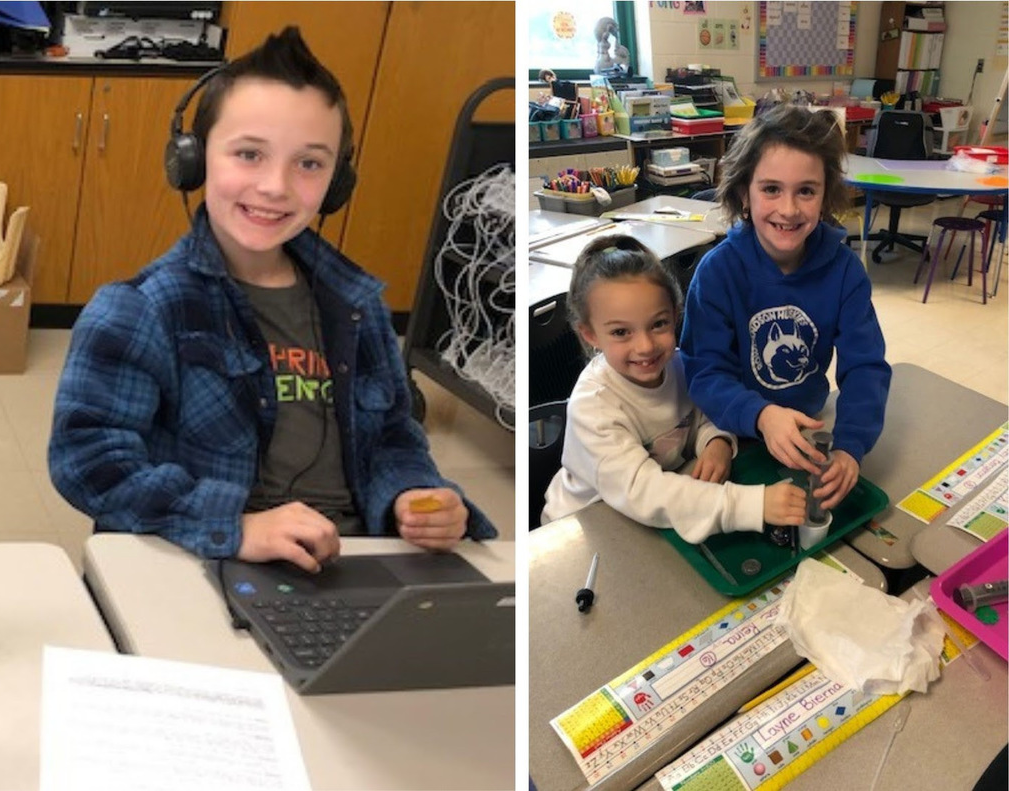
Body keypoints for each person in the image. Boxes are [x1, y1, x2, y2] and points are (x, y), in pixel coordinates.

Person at [48, 27, 496, 574]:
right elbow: (89, 463)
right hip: (211, 558)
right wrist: (234, 524)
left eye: (309, 164)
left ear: (337, 182)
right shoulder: (139, 310)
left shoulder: (360, 307)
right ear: (192, 160)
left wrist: (414, 495)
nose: (275, 186)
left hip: (353, 561)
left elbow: (392, 439)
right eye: (249, 154)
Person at [680, 104, 891, 511]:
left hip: (808, 426)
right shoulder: (718, 272)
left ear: (825, 194)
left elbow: (866, 366)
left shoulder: (845, 271)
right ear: (744, 192)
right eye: (771, 189)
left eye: (806, 191)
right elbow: (704, 371)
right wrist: (760, 415)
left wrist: (850, 446)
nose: (789, 209)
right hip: (727, 428)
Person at [542, 234, 806, 543]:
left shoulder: (680, 365)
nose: (645, 346)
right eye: (621, 332)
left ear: (676, 316)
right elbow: (645, 492)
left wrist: (716, 441)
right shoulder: (593, 406)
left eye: (658, 325)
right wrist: (752, 504)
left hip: (651, 517)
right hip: (582, 529)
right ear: (590, 335)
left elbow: (702, 413)